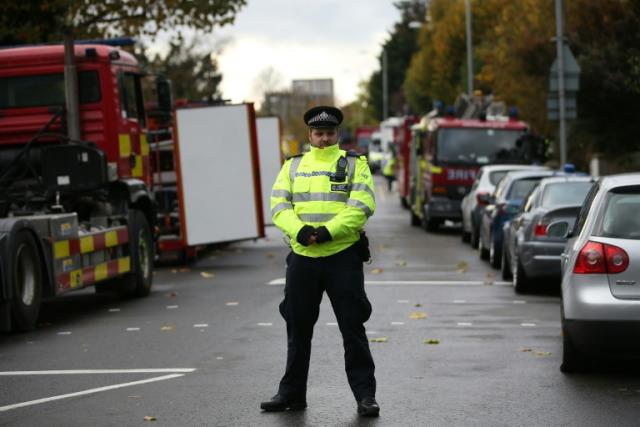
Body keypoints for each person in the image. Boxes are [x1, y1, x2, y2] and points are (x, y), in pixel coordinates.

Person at [261, 106, 380, 417]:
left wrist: (328, 231)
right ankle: (291, 393)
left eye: (329, 133)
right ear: (309, 135)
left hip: (342, 256)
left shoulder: (356, 163)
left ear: (337, 134)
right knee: (297, 329)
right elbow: (278, 204)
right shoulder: (292, 166)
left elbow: (362, 203)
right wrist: (300, 231)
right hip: (303, 258)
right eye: (318, 133)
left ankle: (366, 396)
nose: (324, 138)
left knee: (352, 328)